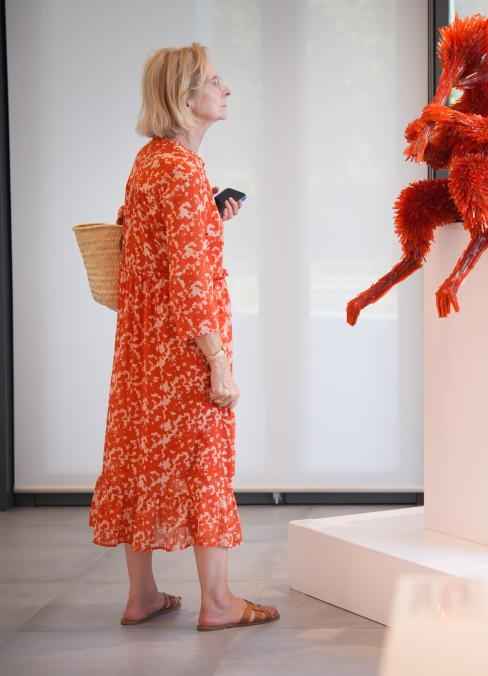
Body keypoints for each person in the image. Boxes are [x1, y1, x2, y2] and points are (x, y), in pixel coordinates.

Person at [88, 43, 279, 631]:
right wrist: (218, 360)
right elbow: (191, 276)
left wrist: (209, 215)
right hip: (182, 347)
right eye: (215, 81)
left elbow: (143, 245)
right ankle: (218, 604)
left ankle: (141, 595)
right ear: (184, 96)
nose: (226, 90)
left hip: (142, 347)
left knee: (141, 455)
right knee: (204, 463)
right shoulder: (183, 168)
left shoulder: (149, 161)